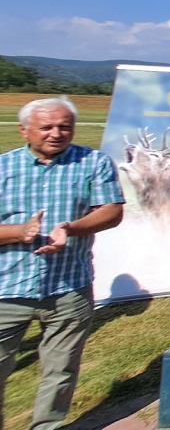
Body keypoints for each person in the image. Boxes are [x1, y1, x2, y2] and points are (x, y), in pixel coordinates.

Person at [0, 96, 124, 429]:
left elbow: (111, 211)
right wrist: (18, 232)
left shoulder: (94, 162)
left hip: (69, 286)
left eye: (64, 127)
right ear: (24, 130)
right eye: (46, 127)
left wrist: (72, 228)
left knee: (61, 370)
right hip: (7, 288)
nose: (56, 133)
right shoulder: (3, 168)